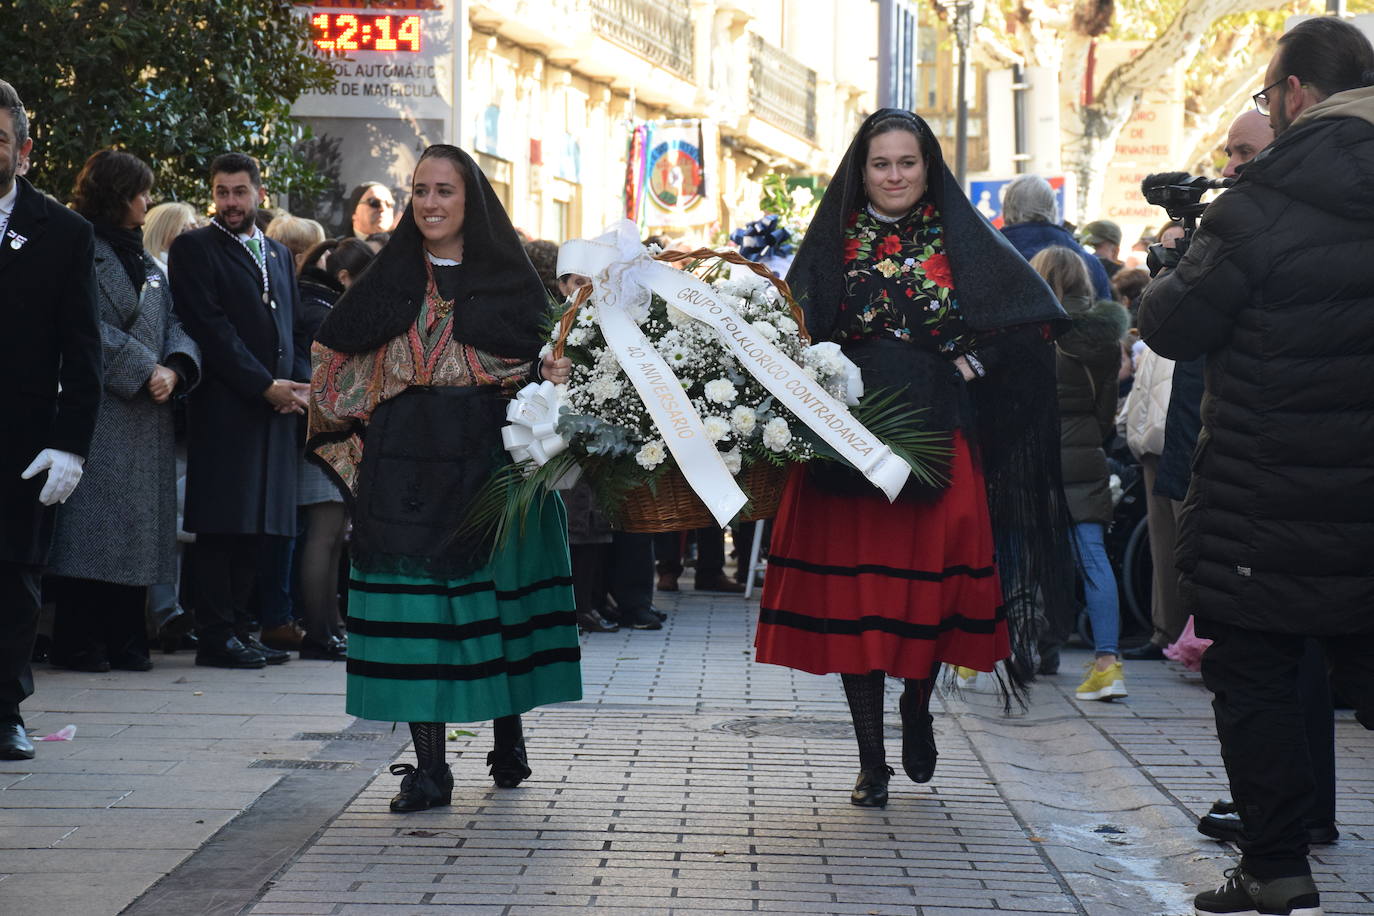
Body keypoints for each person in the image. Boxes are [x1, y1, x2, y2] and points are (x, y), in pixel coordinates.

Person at [755, 109, 1071, 808]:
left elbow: (1031, 326)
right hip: (848, 448)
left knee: (923, 599)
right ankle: (872, 760)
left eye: (907, 162)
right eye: (881, 164)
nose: (894, 175)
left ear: (928, 167)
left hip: (935, 442)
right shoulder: (831, 241)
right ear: (860, 170)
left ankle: (917, 707)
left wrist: (972, 368)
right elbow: (785, 335)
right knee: (856, 608)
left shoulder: (964, 237)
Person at [1138, 18, 1374, 916]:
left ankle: (1276, 865)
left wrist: (1175, 264)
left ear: (1298, 96)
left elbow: (1172, 325)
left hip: (1265, 498)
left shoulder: (1259, 205)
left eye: (1267, 95)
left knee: (1259, 673)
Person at [308, 145, 581, 812]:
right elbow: (333, 360)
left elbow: (553, 356)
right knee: (423, 615)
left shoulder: (516, 284)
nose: (429, 203)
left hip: (491, 461)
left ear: (472, 201)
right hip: (406, 468)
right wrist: (390, 385)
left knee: (498, 602)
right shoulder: (387, 276)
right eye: (420, 191)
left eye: (444, 191)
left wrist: (553, 377)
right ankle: (430, 770)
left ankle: (507, 734)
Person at [45, 151, 202, 673]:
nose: (148, 202)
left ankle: (127, 639)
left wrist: (177, 367)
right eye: (141, 192)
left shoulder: (147, 260)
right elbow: (82, 325)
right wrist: (144, 369)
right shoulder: (78, 247)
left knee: (135, 536)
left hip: (146, 415)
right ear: (118, 194)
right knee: (89, 536)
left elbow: (176, 322)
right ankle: (79, 642)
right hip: (101, 410)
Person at [169, 152, 308, 670]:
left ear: (259, 193)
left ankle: (241, 630)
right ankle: (215, 634)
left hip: (275, 408)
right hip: (227, 408)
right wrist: (263, 385)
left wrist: (296, 387)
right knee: (223, 524)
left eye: (239, 191)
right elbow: (210, 329)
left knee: (261, 525)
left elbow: (290, 329)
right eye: (222, 192)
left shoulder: (276, 252)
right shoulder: (194, 247)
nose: (230, 202)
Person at [0, 80, 103, 760]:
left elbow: (84, 347)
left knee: (12, 576)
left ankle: (4, 709)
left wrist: (71, 445)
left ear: (24, 151)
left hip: (23, 439)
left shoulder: (64, 233)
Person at [1029, 247, 1129, 700]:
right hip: (1085, 456)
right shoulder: (1104, 340)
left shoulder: (1028, 330)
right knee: (1092, 558)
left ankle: (977, 656)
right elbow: (1106, 414)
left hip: (1032, 458)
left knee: (1014, 558)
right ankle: (1107, 664)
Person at [284, 237, 374, 660]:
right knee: (324, 535)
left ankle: (329, 627)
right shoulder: (322, 312)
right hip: (324, 438)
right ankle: (320, 635)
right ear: (343, 277)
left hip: (325, 436)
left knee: (333, 536)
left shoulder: (315, 304)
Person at [999, 174, 1113, 300]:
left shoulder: (989, 259)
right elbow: (1104, 316)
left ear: (1006, 210)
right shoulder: (1090, 264)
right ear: (1053, 209)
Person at [143, 202, 199, 276]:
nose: (194, 234)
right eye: (183, 230)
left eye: (195, 227)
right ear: (161, 233)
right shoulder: (153, 272)